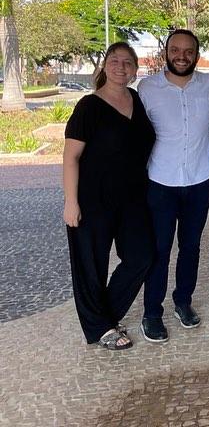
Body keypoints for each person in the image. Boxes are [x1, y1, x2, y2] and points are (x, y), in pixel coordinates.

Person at [62, 42, 155, 350]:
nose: (121, 66)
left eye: (128, 62)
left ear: (135, 69)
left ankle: (105, 316)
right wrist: (71, 202)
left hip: (133, 199)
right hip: (92, 200)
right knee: (92, 264)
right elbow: (71, 157)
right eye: (114, 60)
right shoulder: (88, 106)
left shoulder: (137, 100)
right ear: (104, 65)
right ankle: (100, 328)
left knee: (142, 256)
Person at [138, 29, 209, 342]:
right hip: (160, 182)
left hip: (199, 180)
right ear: (166, 52)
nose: (182, 56)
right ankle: (152, 312)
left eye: (189, 51)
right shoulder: (147, 88)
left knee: (190, 247)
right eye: (176, 49)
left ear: (197, 54)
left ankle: (183, 302)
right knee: (159, 250)